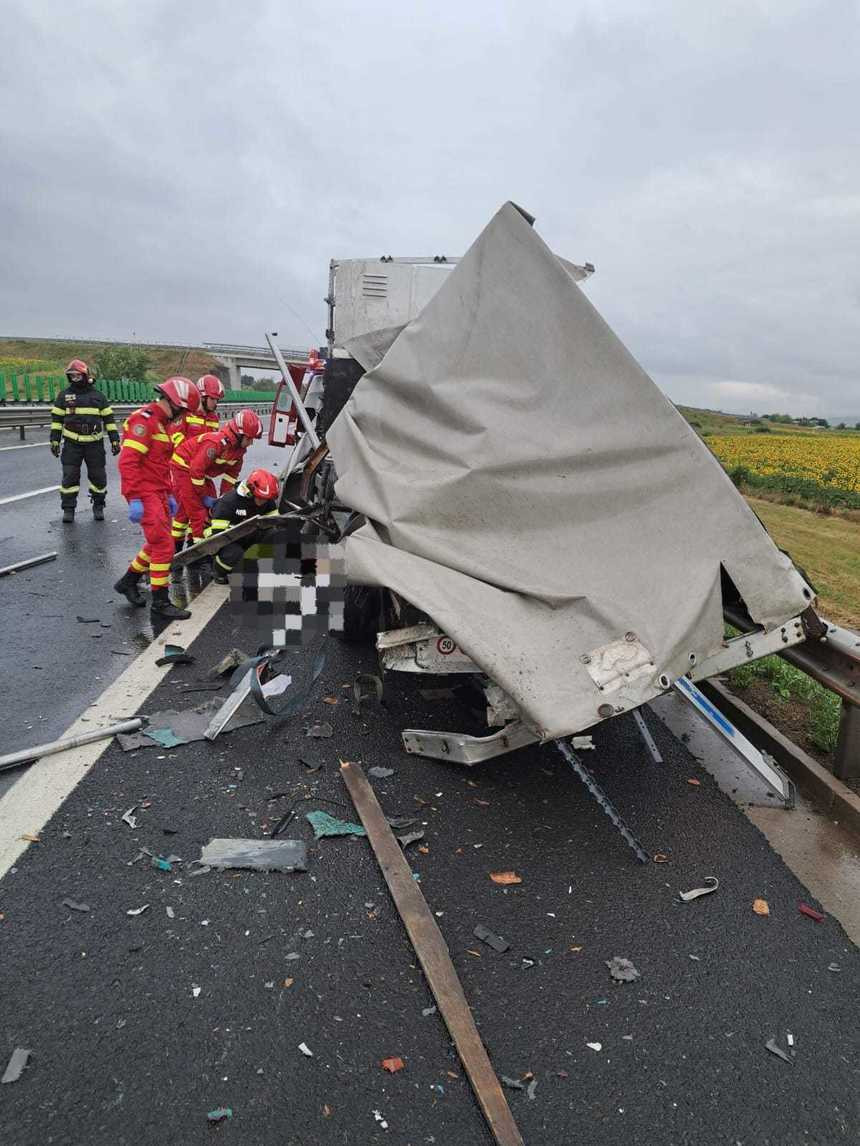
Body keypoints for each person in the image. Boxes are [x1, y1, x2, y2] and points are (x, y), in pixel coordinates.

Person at [113, 377, 200, 619]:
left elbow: (161, 465)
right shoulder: (144, 421)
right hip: (144, 492)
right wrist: (134, 498)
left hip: (158, 491)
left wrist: (169, 493)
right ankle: (160, 601)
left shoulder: (162, 425)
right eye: (183, 411)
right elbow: (128, 462)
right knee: (164, 545)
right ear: (175, 403)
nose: (182, 417)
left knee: (156, 541)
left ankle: (128, 581)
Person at [169, 408, 263, 547]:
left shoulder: (238, 453)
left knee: (210, 508)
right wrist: (202, 496)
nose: (251, 443)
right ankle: (199, 552)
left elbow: (230, 477)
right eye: (249, 439)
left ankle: (186, 545)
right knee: (198, 510)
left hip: (200, 473)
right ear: (238, 434)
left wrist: (225, 500)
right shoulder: (216, 443)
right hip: (183, 467)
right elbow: (196, 470)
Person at [49, 359, 120, 522]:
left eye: (77, 376)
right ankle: (68, 509)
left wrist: (115, 440)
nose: (75, 379)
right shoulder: (64, 396)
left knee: (98, 477)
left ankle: (98, 505)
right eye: (72, 376)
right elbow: (57, 420)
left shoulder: (98, 396)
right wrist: (54, 440)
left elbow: (109, 420)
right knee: (70, 477)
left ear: (85, 375)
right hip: (72, 444)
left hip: (94, 444)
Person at [170, 374, 224, 549]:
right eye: (213, 399)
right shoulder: (187, 413)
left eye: (217, 400)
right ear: (202, 396)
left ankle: (192, 541)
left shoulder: (214, 419)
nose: (215, 403)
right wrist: (191, 458)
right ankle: (177, 547)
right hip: (184, 467)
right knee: (185, 509)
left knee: (200, 506)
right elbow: (175, 436)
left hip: (200, 470)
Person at [205, 468, 280, 582]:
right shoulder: (229, 502)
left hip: (246, 533)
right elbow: (218, 536)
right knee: (235, 555)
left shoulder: (266, 499)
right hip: (224, 536)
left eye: (266, 499)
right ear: (250, 491)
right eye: (260, 498)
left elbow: (272, 522)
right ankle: (219, 571)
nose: (263, 502)